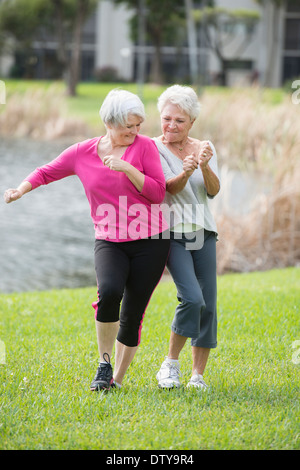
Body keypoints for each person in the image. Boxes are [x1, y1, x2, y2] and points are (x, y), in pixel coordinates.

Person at [4, 89, 170, 391]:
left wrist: (128, 168)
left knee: (133, 312)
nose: (135, 132)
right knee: (108, 292)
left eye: (138, 125)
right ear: (110, 122)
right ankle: (104, 364)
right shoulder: (83, 152)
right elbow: (46, 172)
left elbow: (158, 193)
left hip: (151, 241)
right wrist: (20, 189)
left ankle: (114, 380)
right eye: (128, 126)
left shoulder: (145, 148)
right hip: (109, 239)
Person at [153, 84, 220, 390]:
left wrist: (203, 165)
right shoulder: (151, 148)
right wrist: (183, 172)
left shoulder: (204, 147)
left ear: (192, 122)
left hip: (203, 233)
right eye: (167, 118)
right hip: (172, 235)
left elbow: (213, 191)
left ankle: (198, 376)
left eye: (179, 121)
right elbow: (166, 189)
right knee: (191, 298)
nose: (171, 125)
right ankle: (170, 365)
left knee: (208, 304)